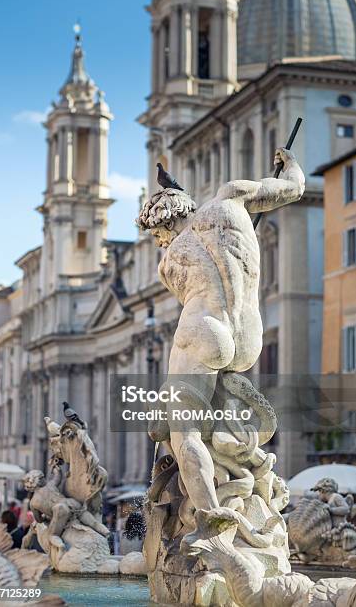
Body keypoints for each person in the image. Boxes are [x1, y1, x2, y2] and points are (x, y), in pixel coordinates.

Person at [137, 148, 305, 520]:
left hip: (205, 327)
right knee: (210, 410)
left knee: (185, 432)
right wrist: (289, 162)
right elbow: (295, 187)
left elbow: (194, 293)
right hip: (246, 336)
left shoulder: (168, 262)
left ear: (163, 227)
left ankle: (210, 516)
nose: (160, 243)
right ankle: (236, 471)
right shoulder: (231, 197)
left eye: (157, 236)